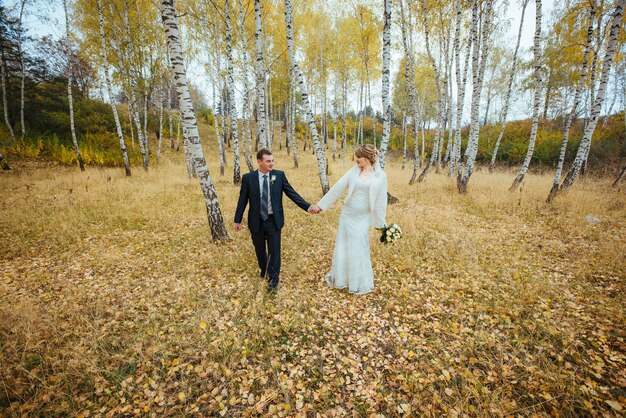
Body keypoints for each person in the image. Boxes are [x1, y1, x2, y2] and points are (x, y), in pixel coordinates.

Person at [234, 149, 318, 291]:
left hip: (274, 220)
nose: (271, 163)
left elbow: (292, 193)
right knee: (259, 249)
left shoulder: (279, 176)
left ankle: (274, 280)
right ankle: (264, 270)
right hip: (256, 221)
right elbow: (242, 200)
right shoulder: (248, 178)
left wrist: (308, 206)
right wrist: (237, 220)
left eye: (272, 160)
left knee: (274, 251)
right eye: (268, 161)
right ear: (259, 162)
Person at [309, 144, 387, 295]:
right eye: (356, 157)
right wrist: (321, 206)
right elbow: (338, 188)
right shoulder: (353, 171)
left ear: (368, 158)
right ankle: (341, 279)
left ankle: (357, 282)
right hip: (348, 215)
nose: (356, 159)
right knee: (344, 246)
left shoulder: (380, 176)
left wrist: (381, 224)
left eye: (359, 157)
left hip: (363, 218)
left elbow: (381, 201)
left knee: (359, 247)